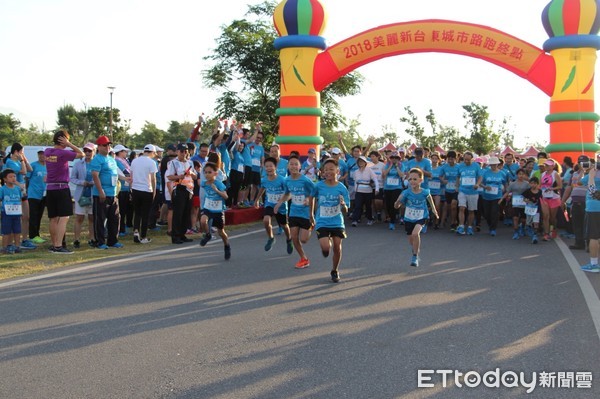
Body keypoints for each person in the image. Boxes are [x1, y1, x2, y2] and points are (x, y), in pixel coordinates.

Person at [310, 158, 350, 283]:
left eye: (331, 169)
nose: (328, 172)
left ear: (337, 171)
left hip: (337, 221)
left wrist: (343, 205)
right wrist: (311, 214)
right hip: (322, 220)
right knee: (326, 247)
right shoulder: (319, 186)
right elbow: (311, 197)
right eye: (325, 170)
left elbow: (346, 209)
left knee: (337, 247)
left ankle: (335, 270)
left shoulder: (342, 188)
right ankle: (326, 248)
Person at [45, 130, 84, 253]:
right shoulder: (63, 153)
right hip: (61, 188)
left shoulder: (47, 151)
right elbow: (81, 154)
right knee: (64, 217)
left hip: (50, 188)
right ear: (63, 140)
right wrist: (70, 144)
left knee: (53, 218)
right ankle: (58, 246)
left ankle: (53, 244)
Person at [274, 155, 315, 269]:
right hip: (294, 213)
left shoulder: (305, 180)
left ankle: (311, 226)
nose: (293, 166)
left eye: (296, 164)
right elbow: (287, 194)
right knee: (294, 237)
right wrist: (279, 203)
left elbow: (314, 193)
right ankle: (303, 258)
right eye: (291, 164)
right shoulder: (287, 180)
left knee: (304, 239)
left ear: (300, 166)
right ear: (288, 166)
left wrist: (308, 199)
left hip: (305, 213)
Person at [394, 168, 439, 267]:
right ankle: (415, 250)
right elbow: (396, 206)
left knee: (415, 234)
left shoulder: (425, 192)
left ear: (421, 180)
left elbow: (430, 199)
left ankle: (415, 256)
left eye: (415, 179)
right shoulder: (405, 193)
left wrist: (434, 210)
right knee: (411, 239)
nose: (412, 181)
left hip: (422, 216)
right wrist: (397, 202)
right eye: (410, 179)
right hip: (409, 218)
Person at [90, 135, 124, 250]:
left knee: (115, 218)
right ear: (99, 146)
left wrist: (125, 179)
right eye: (105, 145)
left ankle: (113, 240)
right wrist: (101, 191)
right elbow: (95, 175)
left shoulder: (111, 159)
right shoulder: (97, 159)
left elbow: (114, 174)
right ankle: (100, 242)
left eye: (109, 145)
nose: (107, 147)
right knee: (100, 219)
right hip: (101, 194)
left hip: (113, 193)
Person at [255, 157, 293, 254]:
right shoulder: (264, 180)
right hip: (270, 203)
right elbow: (262, 189)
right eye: (266, 166)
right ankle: (271, 238)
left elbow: (289, 194)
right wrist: (256, 200)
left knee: (284, 226)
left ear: (275, 167)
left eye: (271, 166)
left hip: (281, 206)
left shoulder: (282, 180)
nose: (268, 168)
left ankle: (289, 239)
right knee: (266, 220)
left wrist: (280, 202)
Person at [3, 142, 35, 249]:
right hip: (14, 192)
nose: (23, 154)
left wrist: (24, 158)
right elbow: (24, 171)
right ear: (16, 151)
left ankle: (24, 239)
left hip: (23, 191)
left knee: (26, 216)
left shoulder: (19, 161)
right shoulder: (10, 162)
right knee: (15, 216)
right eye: (22, 152)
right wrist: (21, 160)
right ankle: (10, 243)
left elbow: (30, 169)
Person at [198, 162, 231, 260]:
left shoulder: (219, 184)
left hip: (218, 210)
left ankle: (227, 246)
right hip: (208, 208)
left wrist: (216, 190)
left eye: (210, 172)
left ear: (215, 174)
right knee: (203, 221)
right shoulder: (204, 183)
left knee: (221, 232)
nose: (207, 174)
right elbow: (199, 182)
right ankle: (208, 235)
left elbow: (226, 196)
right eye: (205, 172)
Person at [166, 143, 196, 244]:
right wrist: (179, 176)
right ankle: (175, 236)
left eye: (186, 151)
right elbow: (169, 177)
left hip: (189, 189)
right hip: (179, 188)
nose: (184, 153)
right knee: (178, 214)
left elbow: (195, 176)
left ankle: (182, 234)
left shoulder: (190, 162)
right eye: (182, 151)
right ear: (177, 151)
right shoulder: (173, 163)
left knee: (186, 213)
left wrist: (191, 173)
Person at [130, 144, 159, 244]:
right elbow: (153, 178)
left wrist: (131, 188)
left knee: (137, 213)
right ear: (151, 152)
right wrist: (154, 191)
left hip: (135, 189)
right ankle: (143, 236)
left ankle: (136, 231)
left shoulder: (135, 160)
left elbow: (131, 175)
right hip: (146, 190)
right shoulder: (151, 162)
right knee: (145, 214)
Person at [70, 142, 96, 248]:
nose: (87, 153)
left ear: (94, 151)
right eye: (85, 150)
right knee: (79, 218)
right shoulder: (78, 164)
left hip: (93, 194)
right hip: (81, 194)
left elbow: (101, 177)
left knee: (92, 218)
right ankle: (76, 239)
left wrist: (94, 183)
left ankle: (92, 238)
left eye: (90, 151)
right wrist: (82, 182)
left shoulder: (97, 163)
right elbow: (72, 178)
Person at [562, 156, 589, 250]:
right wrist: (563, 200)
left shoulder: (592, 174)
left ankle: (589, 244)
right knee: (576, 223)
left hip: (587, 202)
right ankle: (579, 243)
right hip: (575, 201)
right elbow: (569, 187)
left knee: (587, 224)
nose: (582, 164)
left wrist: (585, 171)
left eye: (584, 162)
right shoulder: (573, 174)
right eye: (580, 162)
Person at [578, 155, 600, 273]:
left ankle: (594, 264)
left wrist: (590, 175)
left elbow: (591, 190)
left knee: (594, 237)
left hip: (594, 208)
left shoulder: (593, 174)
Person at [477, 156, 507, 236]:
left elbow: (505, 183)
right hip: (486, 196)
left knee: (494, 212)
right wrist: (485, 187)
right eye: (491, 165)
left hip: (497, 196)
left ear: (497, 164)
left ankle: (493, 228)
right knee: (487, 213)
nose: (493, 166)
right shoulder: (485, 172)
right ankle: (490, 225)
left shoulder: (502, 173)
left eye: (495, 164)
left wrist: (505, 191)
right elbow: (480, 182)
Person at [500, 169, 531, 240]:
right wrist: (502, 199)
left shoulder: (527, 184)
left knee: (523, 219)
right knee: (515, 218)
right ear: (517, 175)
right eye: (519, 174)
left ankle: (522, 228)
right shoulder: (513, 184)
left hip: (524, 204)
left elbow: (531, 192)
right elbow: (507, 192)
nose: (521, 175)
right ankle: (516, 232)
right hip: (515, 203)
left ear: (525, 175)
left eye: (522, 174)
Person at [456, 151, 481, 236]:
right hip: (462, 190)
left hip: (473, 192)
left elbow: (480, 177)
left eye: (468, 160)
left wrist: (477, 184)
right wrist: (457, 186)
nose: (466, 161)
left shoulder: (476, 166)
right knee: (461, 208)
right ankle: (461, 226)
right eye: (465, 159)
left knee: (471, 210)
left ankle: (470, 227)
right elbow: (458, 176)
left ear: (472, 159)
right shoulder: (460, 166)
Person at [351, 155, 379, 226]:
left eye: (362, 162)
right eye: (359, 162)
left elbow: (375, 179)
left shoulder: (369, 170)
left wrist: (377, 189)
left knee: (368, 206)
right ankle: (355, 220)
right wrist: (355, 190)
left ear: (365, 163)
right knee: (357, 206)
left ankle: (370, 219)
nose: (361, 163)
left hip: (368, 191)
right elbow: (355, 181)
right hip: (359, 191)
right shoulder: (356, 171)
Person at [0, 169, 23, 254]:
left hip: (16, 213)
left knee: (17, 230)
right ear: (5, 179)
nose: (13, 178)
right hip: (6, 213)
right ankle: (4, 248)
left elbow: (21, 198)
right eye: (10, 177)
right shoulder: (2, 189)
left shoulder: (17, 189)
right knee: (6, 231)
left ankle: (17, 246)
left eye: (14, 176)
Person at [27, 150, 47, 244]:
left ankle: (37, 235)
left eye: (43, 154)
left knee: (39, 215)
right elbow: (27, 178)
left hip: (43, 194)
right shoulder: (33, 165)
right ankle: (32, 236)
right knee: (33, 215)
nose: (42, 156)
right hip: (33, 194)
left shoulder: (48, 166)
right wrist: (26, 191)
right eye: (40, 154)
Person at [540, 159, 563, 240]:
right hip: (544, 197)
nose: (546, 166)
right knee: (545, 216)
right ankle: (546, 233)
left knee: (552, 218)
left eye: (548, 165)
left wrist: (551, 188)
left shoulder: (555, 174)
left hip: (554, 197)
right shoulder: (542, 174)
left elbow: (560, 186)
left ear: (553, 166)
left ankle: (553, 229)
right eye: (545, 165)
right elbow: (540, 185)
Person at [382, 150, 405, 230]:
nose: (394, 159)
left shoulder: (401, 165)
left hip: (397, 188)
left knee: (393, 203)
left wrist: (397, 167)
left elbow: (402, 175)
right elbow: (384, 174)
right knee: (388, 205)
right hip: (387, 187)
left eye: (396, 158)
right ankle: (392, 216)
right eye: (392, 158)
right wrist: (390, 166)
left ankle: (392, 221)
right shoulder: (387, 164)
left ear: (399, 159)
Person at [113, 144, 132, 237]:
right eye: (124, 151)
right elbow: (126, 173)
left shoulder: (124, 161)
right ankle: (120, 229)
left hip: (126, 187)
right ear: (120, 152)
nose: (126, 153)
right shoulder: (117, 161)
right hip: (121, 189)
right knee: (121, 210)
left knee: (124, 210)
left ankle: (122, 228)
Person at [439, 150, 461, 230]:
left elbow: (461, 176)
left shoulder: (459, 167)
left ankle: (453, 222)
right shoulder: (444, 167)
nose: (450, 160)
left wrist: (458, 185)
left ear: (456, 158)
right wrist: (443, 180)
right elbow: (440, 176)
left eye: (452, 159)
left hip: (456, 189)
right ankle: (453, 220)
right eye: (449, 158)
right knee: (449, 207)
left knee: (454, 205)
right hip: (448, 189)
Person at [523, 176, 543, 244]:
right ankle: (527, 227)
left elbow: (542, 200)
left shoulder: (540, 192)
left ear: (537, 184)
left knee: (536, 222)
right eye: (531, 183)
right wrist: (526, 200)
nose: (533, 185)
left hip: (537, 210)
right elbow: (523, 198)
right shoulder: (527, 191)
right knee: (529, 222)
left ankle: (535, 235)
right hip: (529, 209)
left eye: (534, 183)